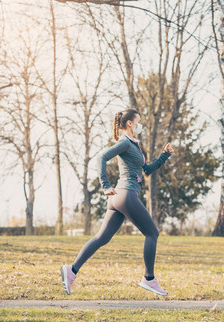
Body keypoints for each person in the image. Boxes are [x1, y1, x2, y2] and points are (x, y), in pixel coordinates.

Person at [61, 108, 173, 296]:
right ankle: (149, 278)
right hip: (125, 194)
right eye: (138, 121)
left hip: (119, 198)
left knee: (102, 238)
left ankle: (71, 271)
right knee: (152, 233)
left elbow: (146, 170)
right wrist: (105, 184)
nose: (140, 125)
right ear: (130, 123)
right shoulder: (125, 143)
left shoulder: (134, 145)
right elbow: (101, 157)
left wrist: (164, 155)